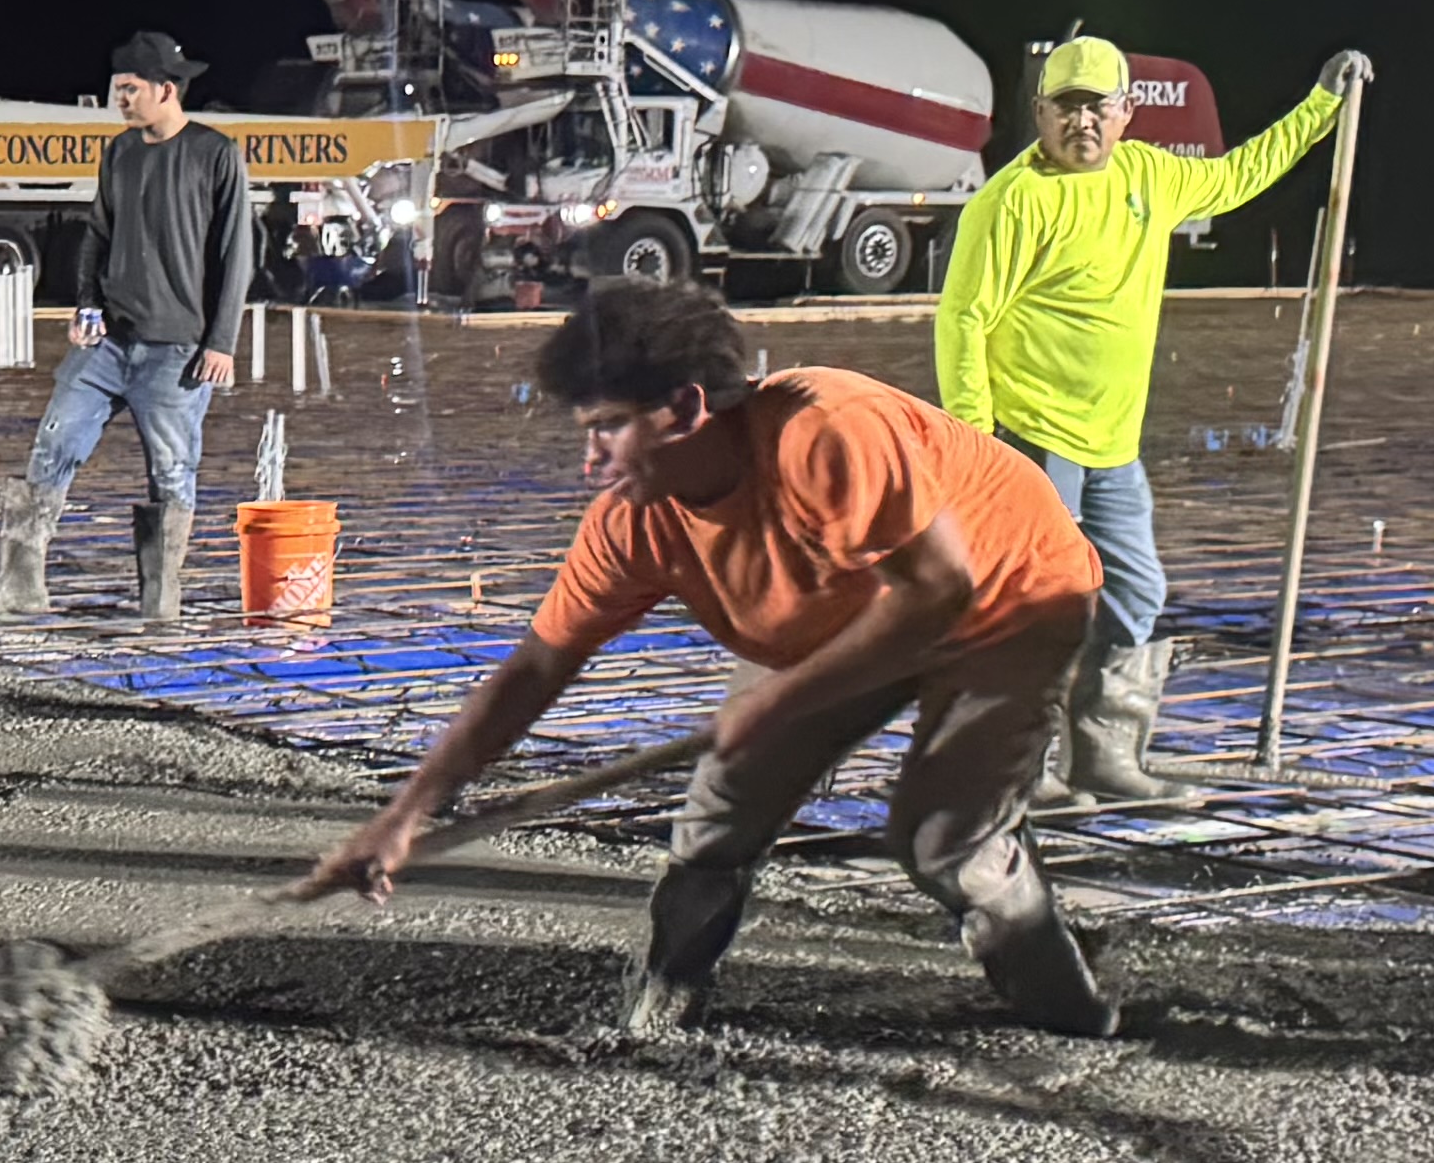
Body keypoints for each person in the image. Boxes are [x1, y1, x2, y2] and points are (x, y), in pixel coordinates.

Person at [322, 276, 1117, 1042]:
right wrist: (404, 817)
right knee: (721, 811)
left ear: (685, 409)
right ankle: (663, 1006)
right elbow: (534, 670)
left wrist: (779, 700)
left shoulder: (827, 433)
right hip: (844, 616)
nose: (591, 460)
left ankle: (1071, 1012)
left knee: (946, 840)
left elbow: (937, 592)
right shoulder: (633, 522)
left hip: (1007, 598)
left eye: (609, 427)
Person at [930, 31, 1363, 804]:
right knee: (1034, 608)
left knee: (1134, 592)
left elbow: (1240, 174)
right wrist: (975, 440)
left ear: (1126, 112)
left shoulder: (1148, 177)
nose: (1083, 123)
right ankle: (1014, 767)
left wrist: (1323, 105)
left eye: (1098, 107)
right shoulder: (1013, 201)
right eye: (1067, 108)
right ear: (1040, 113)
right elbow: (963, 319)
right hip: (1032, 438)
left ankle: (1103, 755)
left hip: (1112, 444)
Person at [0, 30, 254, 622]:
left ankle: (159, 603)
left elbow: (235, 252)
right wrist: (87, 303)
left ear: (167, 90)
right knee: (54, 442)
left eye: (131, 88)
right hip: (107, 341)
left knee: (171, 470)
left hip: (178, 350)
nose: (121, 99)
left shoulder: (214, 154)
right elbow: (99, 233)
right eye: (118, 88)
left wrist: (221, 342)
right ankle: (19, 585)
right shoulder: (120, 152)